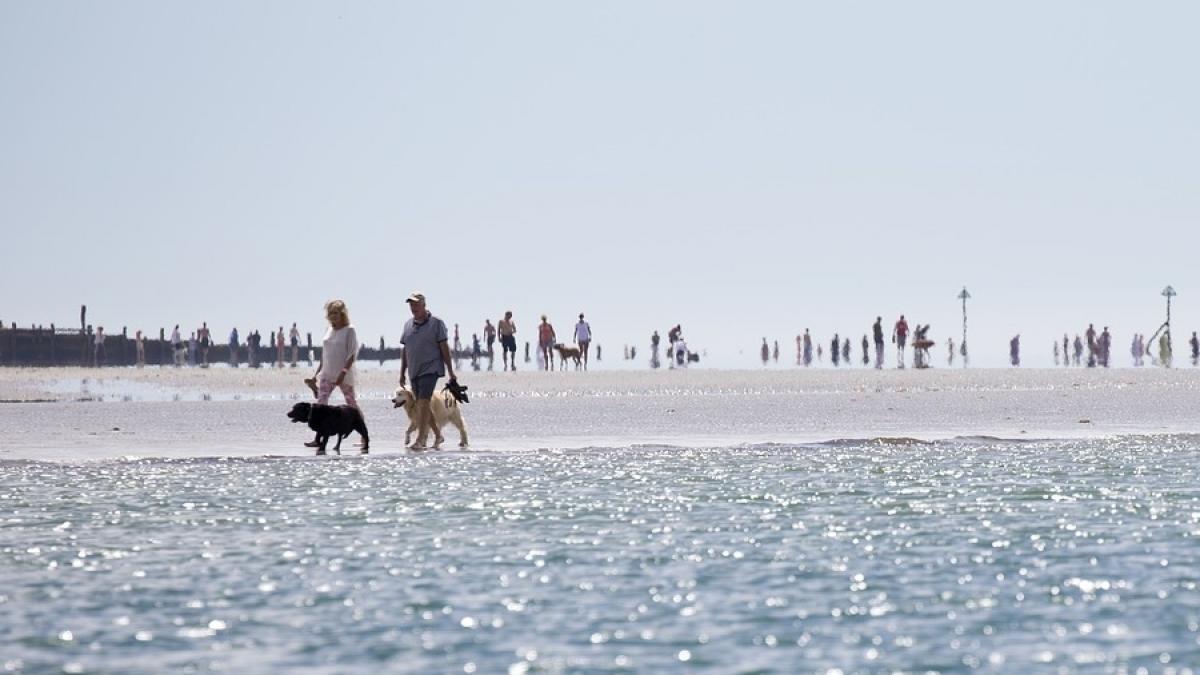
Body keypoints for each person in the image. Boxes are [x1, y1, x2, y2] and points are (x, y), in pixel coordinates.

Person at [301, 300, 362, 449]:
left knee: (351, 404)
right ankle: (318, 438)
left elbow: (352, 354)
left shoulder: (349, 330)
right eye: (330, 314)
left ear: (342, 314)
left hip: (343, 375)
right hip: (327, 373)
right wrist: (316, 374)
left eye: (335, 313)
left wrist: (343, 372)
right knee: (320, 405)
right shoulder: (328, 330)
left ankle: (363, 436)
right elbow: (325, 355)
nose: (332, 316)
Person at [399, 292, 457, 449]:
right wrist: (402, 372)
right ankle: (438, 436)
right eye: (411, 305)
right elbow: (405, 350)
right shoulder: (408, 325)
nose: (414, 307)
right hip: (414, 371)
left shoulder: (436, 323)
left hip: (430, 369)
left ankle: (421, 439)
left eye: (417, 304)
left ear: (424, 305)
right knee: (421, 405)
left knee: (424, 402)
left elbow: (444, 347)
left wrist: (451, 371)